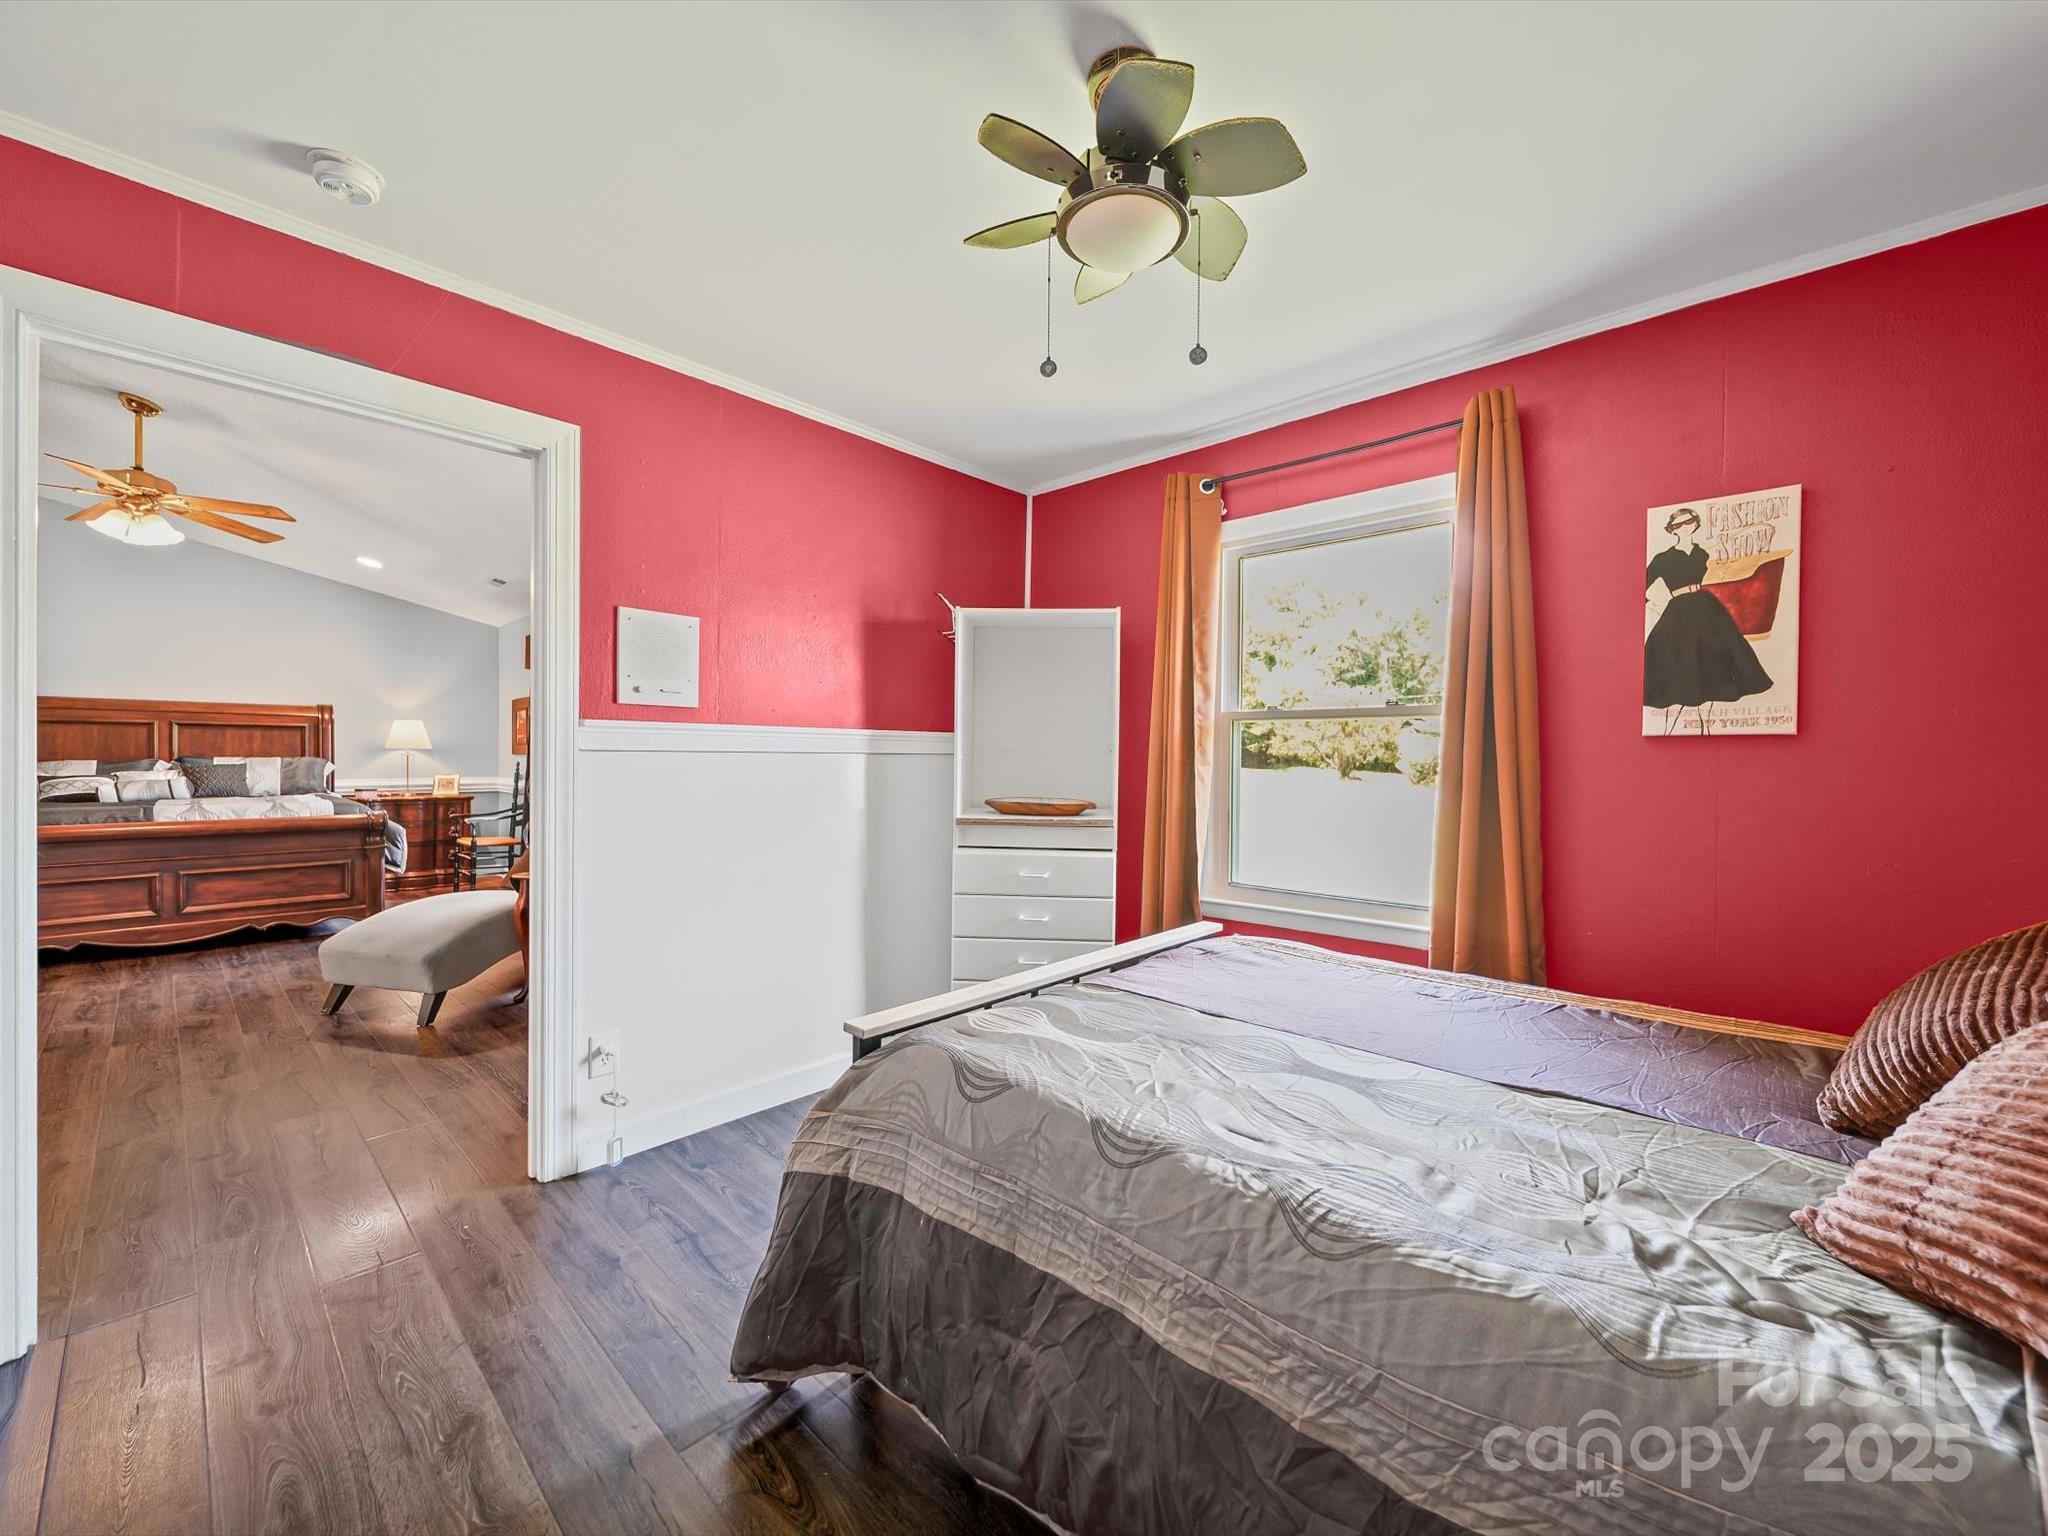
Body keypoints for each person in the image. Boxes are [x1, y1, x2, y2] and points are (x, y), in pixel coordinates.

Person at [1643, 508, 1771, 734]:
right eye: (1679, 525)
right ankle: (1673, 729)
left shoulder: (1701, 554)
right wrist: (1655, 605)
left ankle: (1706, 729)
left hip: (1706, 608)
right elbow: (1642, 584)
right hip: (1679, 611)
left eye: (1689, 522)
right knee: (1680, 660)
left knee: (1713, 658)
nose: (1685, 527)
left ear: (1695, 523)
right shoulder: (1662, 559)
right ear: (1672, 530)